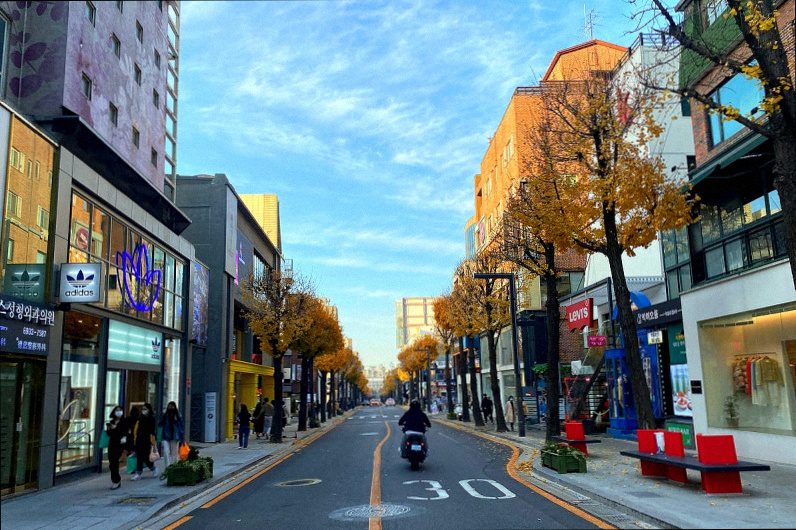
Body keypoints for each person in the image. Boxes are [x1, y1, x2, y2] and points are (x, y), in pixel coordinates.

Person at [158, 401, 185, 478]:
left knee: (174, 454)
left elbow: (181, 427)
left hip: (175, 437)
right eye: (169, 406)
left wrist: (182, 438)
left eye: (172, 406)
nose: (170, 408)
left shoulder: (178, 415)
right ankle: (167, 468)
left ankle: (174, 467)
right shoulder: (165, 415)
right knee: (166, 452)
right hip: (166, 436)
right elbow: (160, 424)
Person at [131, 403, 157, 480]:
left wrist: (153, 442)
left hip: (147, 440)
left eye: (145, 409)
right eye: (143, 409)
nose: (144, 410)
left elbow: (152, 431)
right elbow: (137, 429)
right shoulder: (140, 418)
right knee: (139, 456)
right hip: (139, 439)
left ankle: (153, 468)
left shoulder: (151, 418)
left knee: (145, 457)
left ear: (149, 410)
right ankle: (138, 473)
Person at [106, 405, 129, 490]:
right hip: (112, 443)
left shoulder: (124, 421)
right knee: (111, 463)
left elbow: (125, 432)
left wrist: (116, 428)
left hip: (120, 444)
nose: (119, 412)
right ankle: (116, 480)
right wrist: (109, 428)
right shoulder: (111, 422)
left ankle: (116, 481)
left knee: (115, 461)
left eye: (120, 410)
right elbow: (109, 434)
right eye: (117, 410)